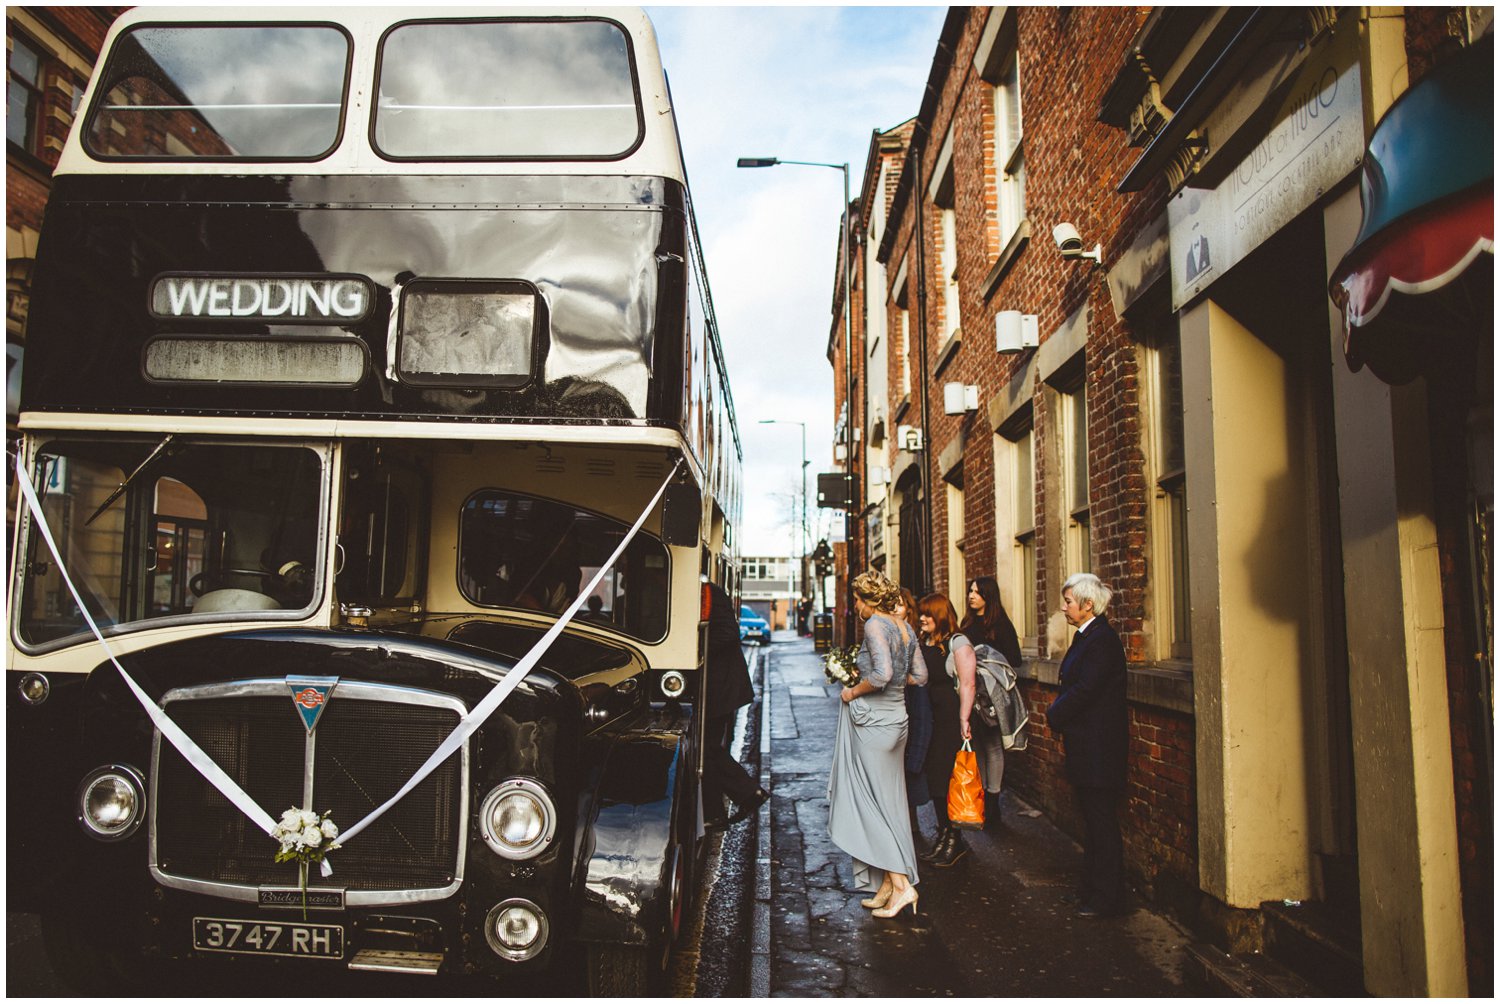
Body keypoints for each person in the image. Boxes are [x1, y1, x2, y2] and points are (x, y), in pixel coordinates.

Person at [828, 570, 925, 918]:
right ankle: (886, 883)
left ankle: (901, 886)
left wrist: (853, 690)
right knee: (890, 801)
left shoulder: (874, 626)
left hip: (874, 724)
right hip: (898, 721)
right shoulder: (905, 627)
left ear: (869, 600)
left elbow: (882, 675)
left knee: (870, 803)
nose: (855, 606)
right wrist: (892, 684)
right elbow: (919, 676)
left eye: (857, 600)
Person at [1046, 572, 1129, 918]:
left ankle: (1107, 899)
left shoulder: (1102, 641)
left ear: (1087, 605)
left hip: (1099, 748)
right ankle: (1091, 891)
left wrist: (1054, 714)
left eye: (1068, 602)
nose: (1063, 608)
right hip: (1088, 746)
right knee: (1092, 822)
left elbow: (1085, 689)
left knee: (1101, 823)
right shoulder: (1088, 637)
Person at [702, 582, 769, 831]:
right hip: (718, 686)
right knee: (706, 751)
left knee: (707, 749)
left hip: (722, 686)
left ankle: (750, 792)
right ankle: (714, 814)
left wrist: (693, 648)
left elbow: (728, 633)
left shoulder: (710, 592)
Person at [916, 593, 975, 867]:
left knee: (948, 781)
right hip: (930, 721)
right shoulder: (924, 642)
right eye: (921, 613)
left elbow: (967, 684)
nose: (922, 618)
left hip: (950, 721)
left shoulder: (957, 643)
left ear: (940, 615)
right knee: (935, 780)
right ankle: (943, 833)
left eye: (928, 614)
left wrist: (964, 720)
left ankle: (956, 839)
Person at [960, 576, 1022, 819]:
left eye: (978, 592)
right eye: (970, 591)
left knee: (994, 745)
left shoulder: (1000, 625)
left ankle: (993, 801)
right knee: (978, 745)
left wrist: (988, 662)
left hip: (992, 696)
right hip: (970, 694)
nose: (972, 595)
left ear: (989, 596)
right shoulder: (966, 625)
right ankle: (982, 798)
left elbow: (1014, 659)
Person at [895, 587, 931, 844]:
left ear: (908, 607)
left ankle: (914, 829)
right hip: (897, 708)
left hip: (913, 704)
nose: (894, 609)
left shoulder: (912, 636)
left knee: (912, 767)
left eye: (898, 604)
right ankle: (907, 826)